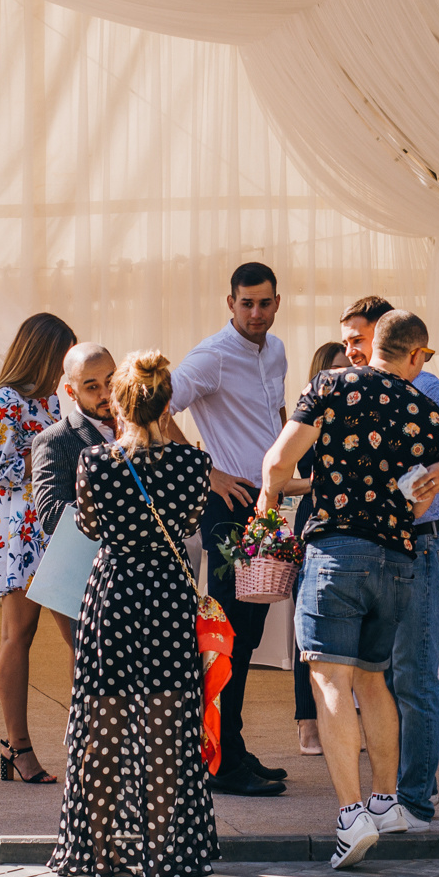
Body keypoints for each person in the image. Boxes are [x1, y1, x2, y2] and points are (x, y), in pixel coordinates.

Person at [260, 309, 439, 869]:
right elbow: (421, 498)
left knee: (329, 681)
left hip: (336, 551)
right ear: (415, 355)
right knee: (375, 682)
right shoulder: (428, 410)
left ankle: (351, 816)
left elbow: (278, 462)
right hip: (397, 557)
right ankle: (386, 800)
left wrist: (266, 506)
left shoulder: (330, 384)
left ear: (373, 345)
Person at [47, 352, 219, 877]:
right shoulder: (194, 465)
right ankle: (163, 848)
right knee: (167, 722)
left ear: (118, 404)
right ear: (168, 405)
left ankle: (99, 849)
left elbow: (91, 527)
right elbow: (190, 520)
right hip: (167, 595)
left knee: (103, 720)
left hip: (114, 594)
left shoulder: (95, 464)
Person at [336, 294, 439, 826]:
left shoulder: (428, 386)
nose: (354, 351)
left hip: (423, 540)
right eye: (350, 342)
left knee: (412, 674)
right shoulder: (346, 389)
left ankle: (416, 799)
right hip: (375, 547)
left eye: (359, 340)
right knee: (374, 673)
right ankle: (391, 791)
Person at [169, 263, 293, 797]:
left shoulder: (278, 350)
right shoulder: (212, 356)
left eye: (264, 303)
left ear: (277, 302)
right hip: (226, 510)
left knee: (252, 635)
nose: (256, 313)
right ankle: (217, 761)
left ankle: (231, 747)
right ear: (230, 302)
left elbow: (278, 416)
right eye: (247, 304)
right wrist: (206, 469)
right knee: (227, 637)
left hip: (265, 507)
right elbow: (152, 408)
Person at [0, 311, 77, 784]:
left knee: (82, 635)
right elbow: (3, 470)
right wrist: (52, 446)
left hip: (62, 524)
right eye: (62, 358)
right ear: (43, 355)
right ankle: (17, 745)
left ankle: (94, 739)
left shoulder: (60, 400)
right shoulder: (6, 401)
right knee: (19, 635)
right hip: (23, 528)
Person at [289, 340, 345, 757]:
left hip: (354, 518)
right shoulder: (309, 411)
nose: (346, 376)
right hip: (315, 516)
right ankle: (307, 723)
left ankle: (340, 718)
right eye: (337, 370)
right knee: (306, 627)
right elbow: (296, 466)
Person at [30, 342, 118, 553]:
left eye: (110, 381)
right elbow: (51, 515)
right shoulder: (54, 440)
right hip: (95, 570)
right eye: (92, 387)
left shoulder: (142, 426)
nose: (106, 394)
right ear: (70, 392)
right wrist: (124, 509)